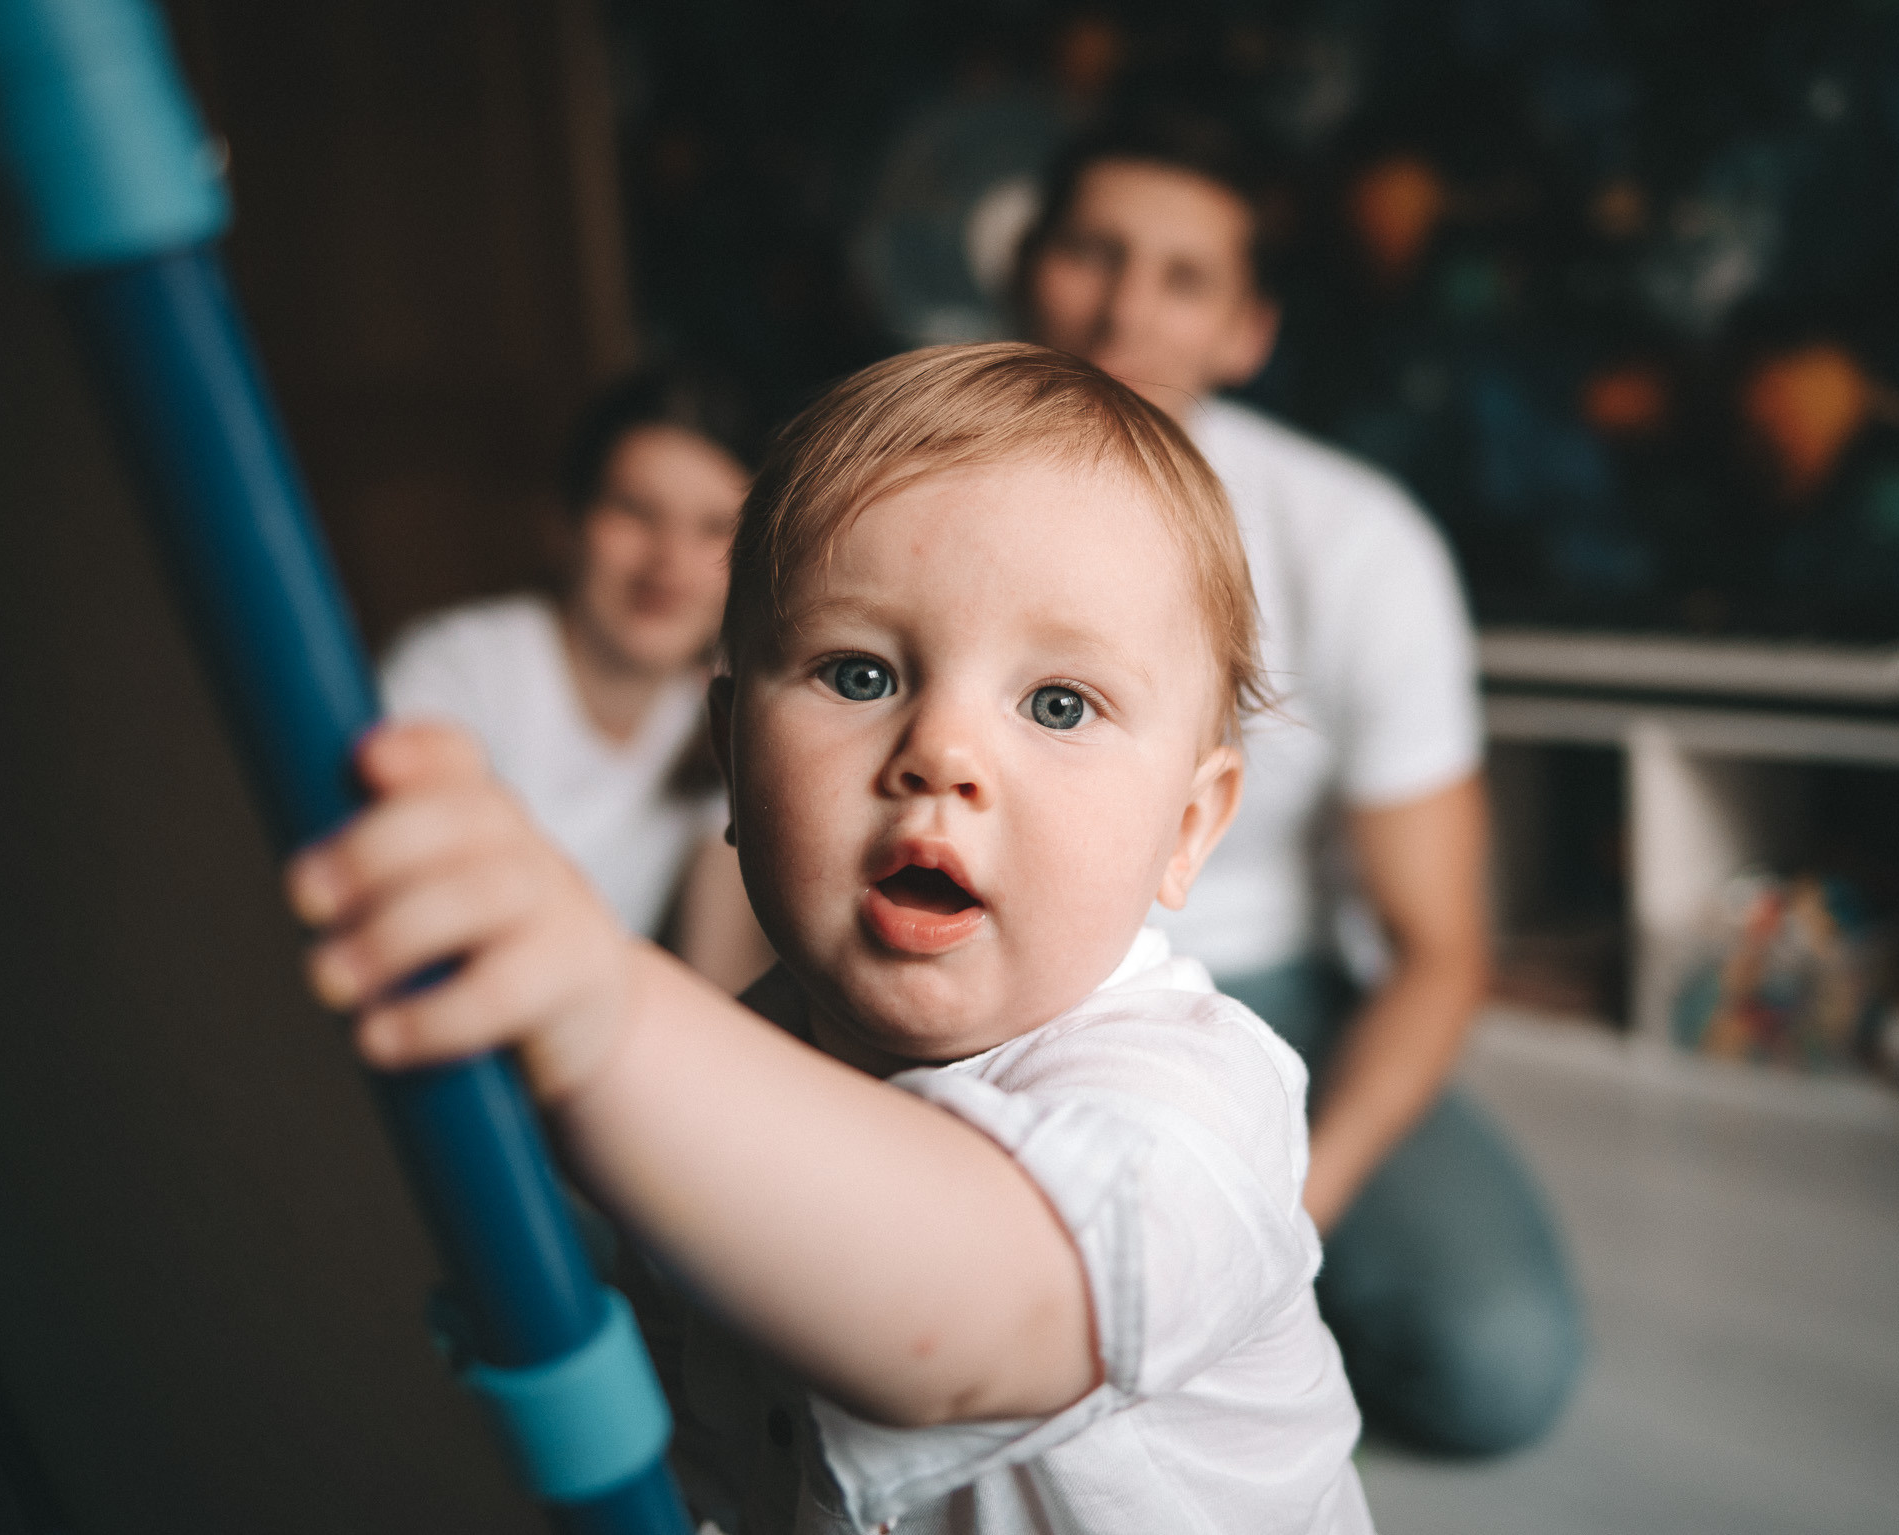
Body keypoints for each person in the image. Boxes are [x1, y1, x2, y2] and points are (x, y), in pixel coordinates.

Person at [286, 344, 1372, 1532]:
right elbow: (708, 1450)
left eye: (1057, 703)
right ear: (730, 756)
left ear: (1188, 826)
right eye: (857, 673)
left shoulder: (1191, 1103)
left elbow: (957, 1320)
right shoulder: (745, 1072)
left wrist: (612, 1011)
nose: (939, 752)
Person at [1016, 108, 1583, 1456]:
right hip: (975, 968)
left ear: (1247, 330)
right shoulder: (898, 489)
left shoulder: (1358, 544)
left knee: (1499, 1361)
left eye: (1184, 277)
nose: (1125, 309)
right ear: (1025, 270)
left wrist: (1280, 1222)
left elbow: (1440, 949)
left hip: (1262, 993)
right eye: (1092, 252)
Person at [378, 371, 771, 992]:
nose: (669, 559)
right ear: (565, 524)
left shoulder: (716, 721)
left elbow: (718, 979)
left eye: (712, 529)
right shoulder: (455, 671)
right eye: (636, 512)